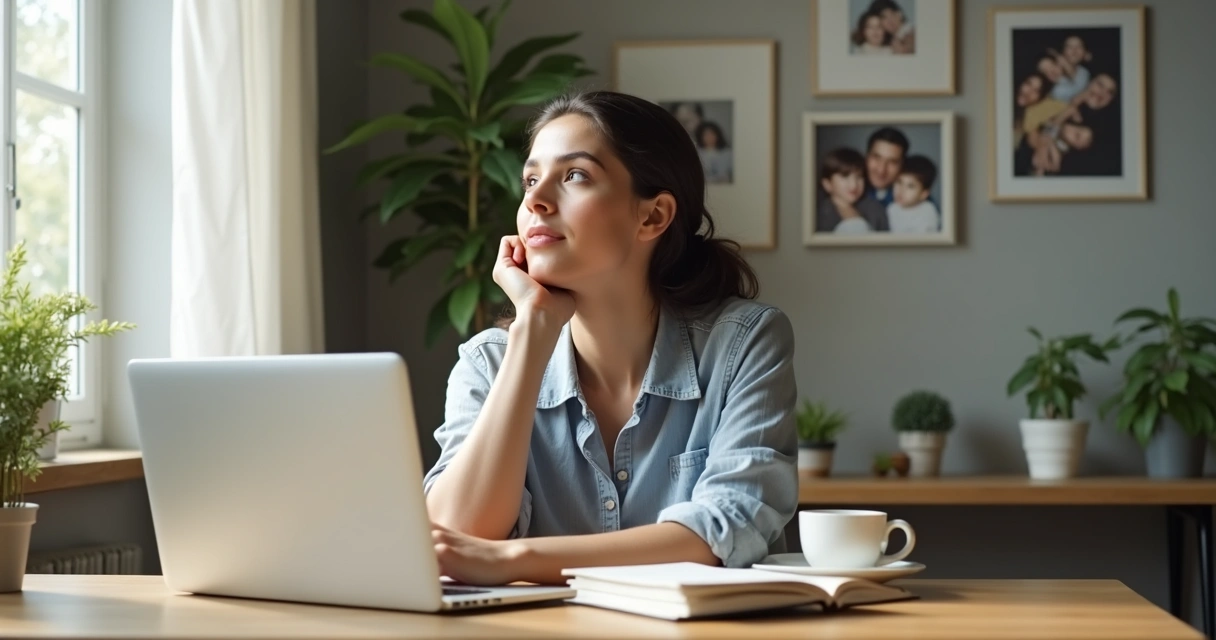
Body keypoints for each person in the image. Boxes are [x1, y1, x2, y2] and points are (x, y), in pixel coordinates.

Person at [423, 91, 799, 587]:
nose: (535, 199)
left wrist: (514, 560)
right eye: (531, 179)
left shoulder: (745, 343)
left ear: (653, 216)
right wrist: (533, 330)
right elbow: (454, 537)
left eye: (574, 175)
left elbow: (725, 528)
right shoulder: (487, 363)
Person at [816, 147, 889, 234]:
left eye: (859, 177)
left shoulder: (876, 209)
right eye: (845, 176)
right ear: (827, 184)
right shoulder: (818, 214)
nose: (854, 185)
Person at [887, 155, 940, 233]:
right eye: (899, 182)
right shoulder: (891, 208)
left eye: (910, 186)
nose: (901, 190)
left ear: (923, 194)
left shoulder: (928, 211)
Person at [864, 127, 909, 207]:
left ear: (902, 165)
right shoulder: (846, 191)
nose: (881, 170)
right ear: (867, 157)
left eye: (892, 162)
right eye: (876, 158)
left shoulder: (917, 199)